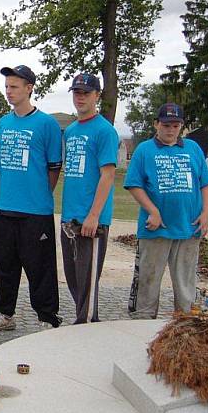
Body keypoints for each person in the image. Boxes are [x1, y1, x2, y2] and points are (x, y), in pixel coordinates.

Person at [0, 65, 63, 332]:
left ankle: (47, 317)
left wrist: (39, 194)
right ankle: (4, 313)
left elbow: (54, 167)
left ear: (29, 88)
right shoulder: (4, 123)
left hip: (35, 210)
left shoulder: (47, 124)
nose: (9, 92)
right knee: (5, 264)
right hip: (6, 207)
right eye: (7, 86)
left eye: (14, 87)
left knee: (40, 267)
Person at [124, 103, 208, 319]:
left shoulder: (192, 149)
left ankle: (184, 325)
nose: (170, 129)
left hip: (188, 228)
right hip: (156, 229)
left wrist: (206, 213)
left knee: (185, 285)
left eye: (175, 125)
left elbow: (205, 183)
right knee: (148, 282)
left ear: (181, 126)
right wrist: (152, 210)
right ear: (156, 124)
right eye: (165, 125)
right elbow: (134, 184)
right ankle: (142, 323)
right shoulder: (145, 150)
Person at [59, 74, 119, 324]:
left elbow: (107, 175)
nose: (80, 97)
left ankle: (85, 327)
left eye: (85, 93)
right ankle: (81, 321)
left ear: (97, 96)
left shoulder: (104, 130)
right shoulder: (71, 130)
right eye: (76, 92)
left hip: (91, 219)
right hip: (70, 215)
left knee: (88, 281)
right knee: (73, 278)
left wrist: (94, 215)